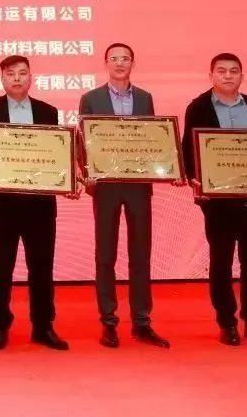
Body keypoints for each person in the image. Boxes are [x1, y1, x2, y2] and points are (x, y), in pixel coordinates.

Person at [181, 53, 247, 347]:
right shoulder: (198, 107)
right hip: (217, 200)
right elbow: (189, 148)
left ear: (241, 76)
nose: (228, 76)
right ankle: (227, 323)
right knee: (221, 261)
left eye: (233, 71)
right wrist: (193, 179)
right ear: (211, 75)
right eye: (222, 71)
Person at [0, 55, 72, 351]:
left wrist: (66, 177)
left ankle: (43, 326)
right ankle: (0, 325)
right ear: (1, 78)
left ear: (31, 77)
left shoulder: (47, 112)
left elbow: (55, 155)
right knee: (0, 268)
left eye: (22, 73)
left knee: (41, 268)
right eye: (10, 74)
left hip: (39, 205)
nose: (16, 78)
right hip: (2, 206)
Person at [78, 43, 173, 349]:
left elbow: (153, 140)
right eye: (114, 59)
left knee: (140, 254)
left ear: (133, 63)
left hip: (138, 185)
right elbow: (83, 141)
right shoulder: (91, 98)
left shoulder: (145, 98)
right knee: (105, 255)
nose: (119, 63)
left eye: (125, 58)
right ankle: (109, 321)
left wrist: (165, 167)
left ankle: (142, 322)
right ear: (105, 63)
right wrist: (86, 172)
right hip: (105, 186)